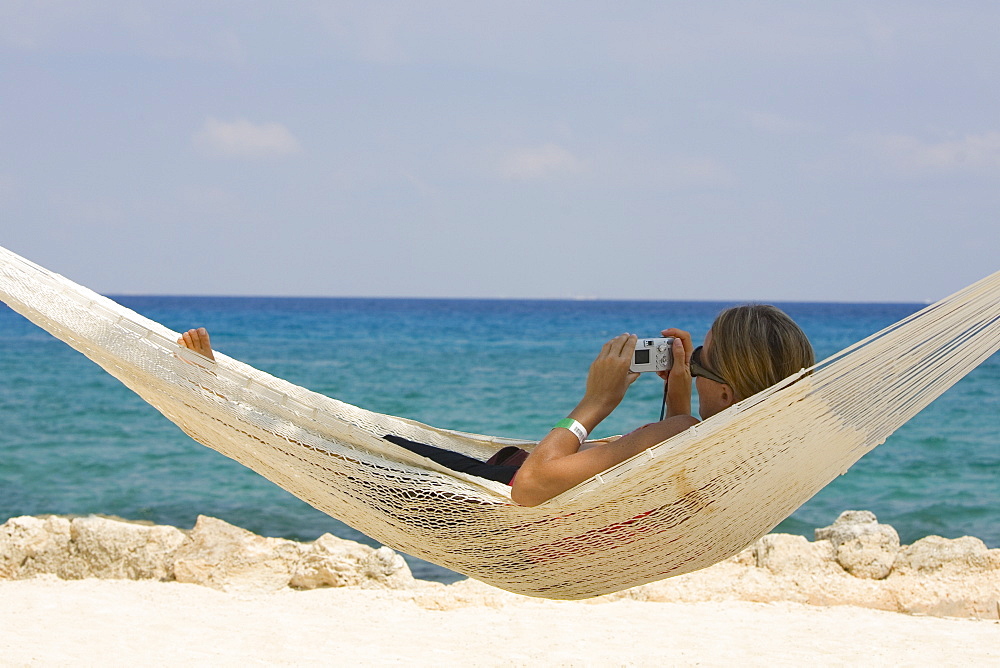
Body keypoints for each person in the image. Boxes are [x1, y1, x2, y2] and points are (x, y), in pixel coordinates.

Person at [177, 304, 814, 508]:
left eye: (701, 362)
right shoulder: (740, 450)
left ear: (727, 391)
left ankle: (215, 401)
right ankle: (224, 402)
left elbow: (534, 487)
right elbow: (680, 435)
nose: (691, 363)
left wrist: (593, 404)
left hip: (480, 491)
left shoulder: (672, 439)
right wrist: (680, 386)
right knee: (323, 439)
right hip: (486, 472)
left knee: (320, 444)